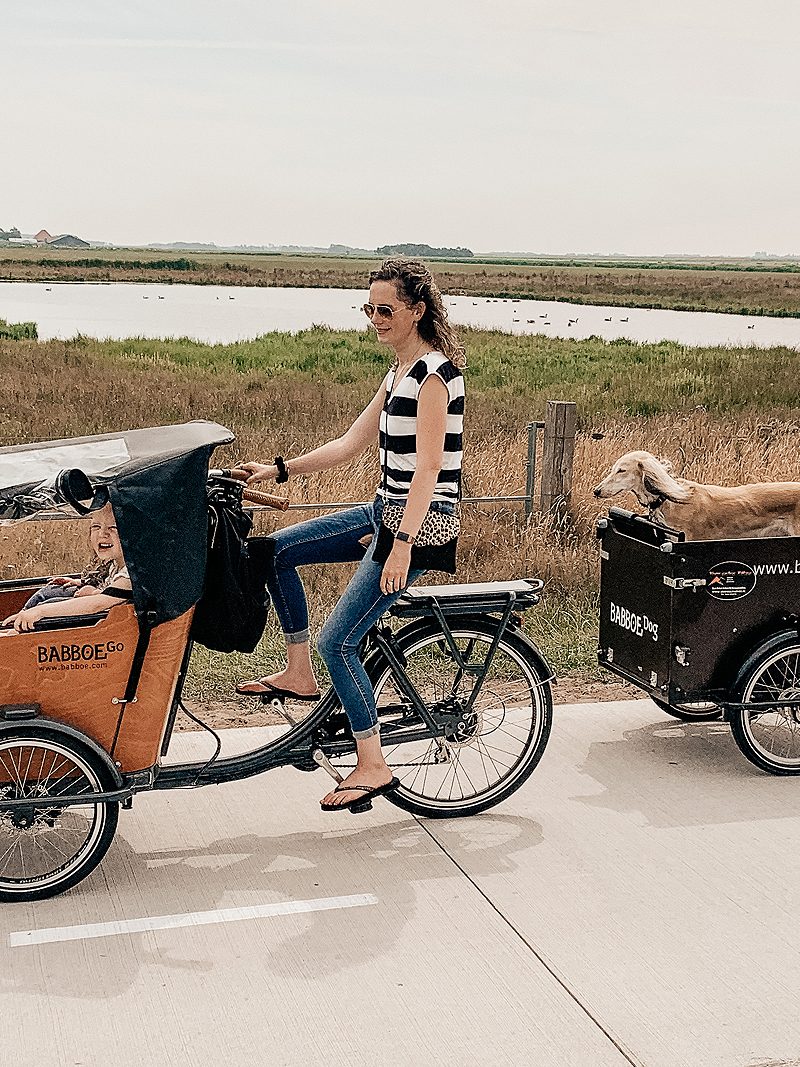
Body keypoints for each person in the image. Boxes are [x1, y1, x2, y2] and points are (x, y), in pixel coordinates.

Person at [237, 258, 466, 813]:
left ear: (417, 310)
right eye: (369, 308)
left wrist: (403, 543)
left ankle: (373, 763)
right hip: (383, 509)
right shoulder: (396, 375)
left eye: (386, 309)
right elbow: (347, 445)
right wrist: (278, 469)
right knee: (273, 551)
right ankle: (298, 673)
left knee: (338, 640)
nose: (376, 318)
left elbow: (431, 470)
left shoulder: (433, 376)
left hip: (421, 521)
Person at [2, 502, 133, 633]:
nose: (102, 534)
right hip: (104, 610)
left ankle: (20, 632)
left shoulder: (132, 574)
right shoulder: (116, 564)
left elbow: (99, 603)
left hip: (108, 622)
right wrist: (80, 583)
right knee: (52, 591)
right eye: (96, 526)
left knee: (48, 606)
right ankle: (19, 620)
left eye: (114, 528)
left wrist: (40, 611)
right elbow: (107, 583)